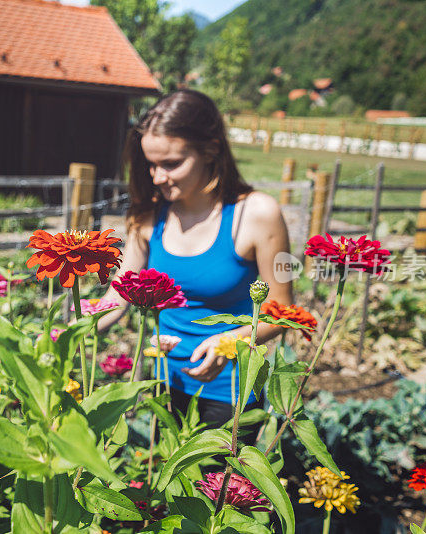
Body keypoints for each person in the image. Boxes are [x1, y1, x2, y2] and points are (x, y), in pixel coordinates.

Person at [98, 89, 293, 429]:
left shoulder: (259, 213)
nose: (158, 177)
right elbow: (117, 296)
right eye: (151, 164)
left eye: (172, 163)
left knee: (218, 482)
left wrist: (232, 340)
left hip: (232, 391)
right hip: (164, 382)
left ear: (211, 149)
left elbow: (284, 313)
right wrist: (69, 329)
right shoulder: (147, 214)